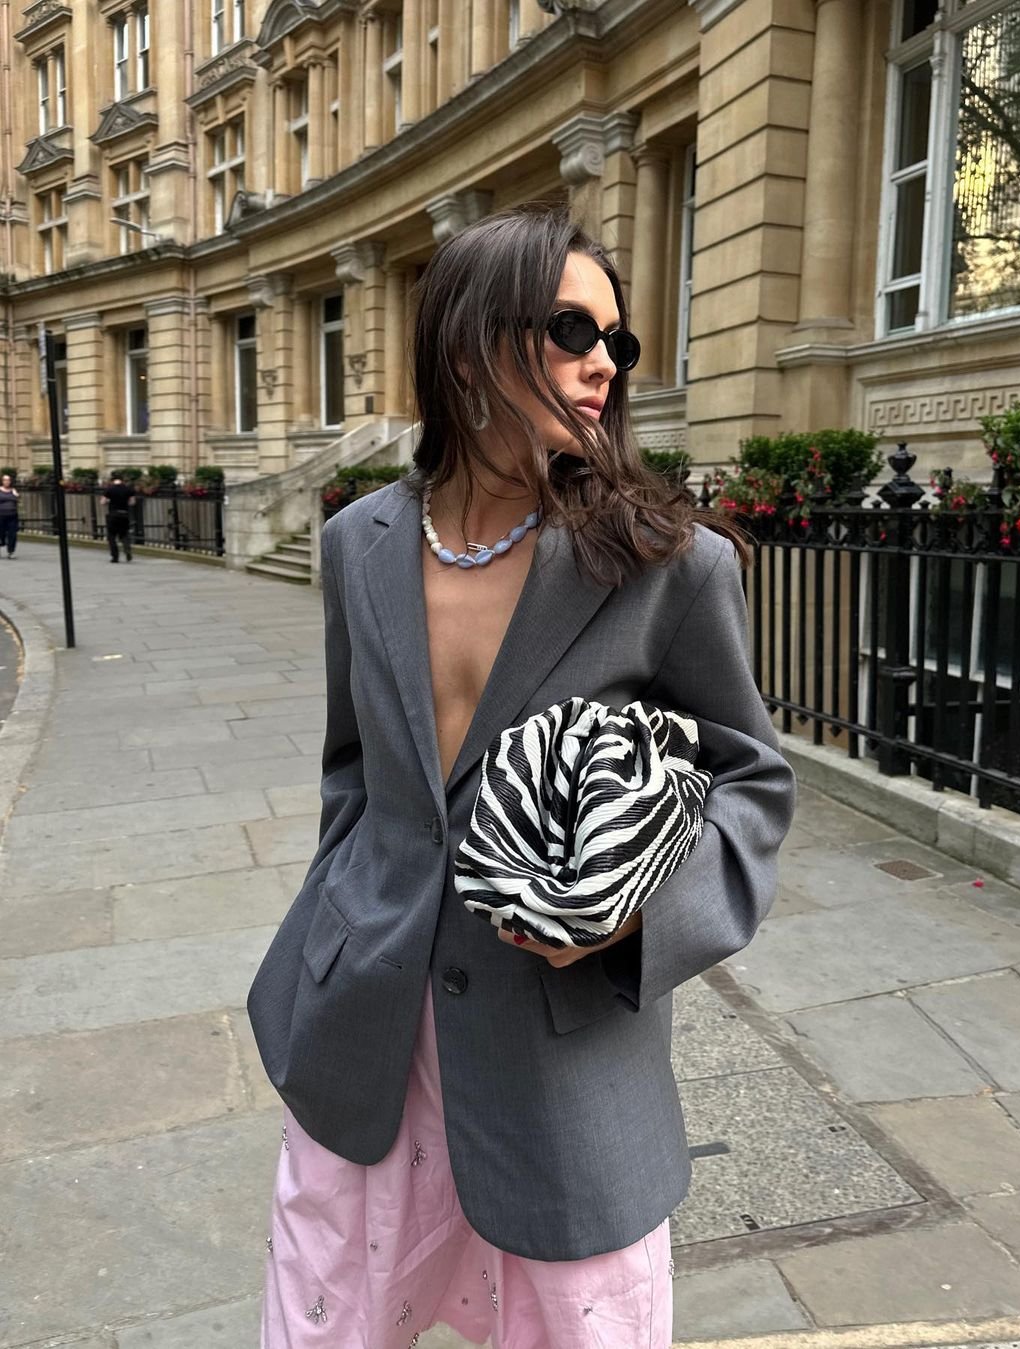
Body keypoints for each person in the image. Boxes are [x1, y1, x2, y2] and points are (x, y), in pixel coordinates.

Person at [248, 206, 796, 1349]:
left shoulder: (668, 563)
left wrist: (630, 917)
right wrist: (336, 921)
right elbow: (353, 770)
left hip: (564, 1076)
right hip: (366, 1047)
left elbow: (753, 787)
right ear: (467, 347)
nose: (605, 361)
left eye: (618, 341)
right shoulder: (359, 542)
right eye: (567, 329)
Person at [100, 473, 135, 562]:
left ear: (112, 480)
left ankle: (115, 556)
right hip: (124, 514)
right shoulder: (128, 489)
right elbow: (132, 502)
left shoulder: (109, 489)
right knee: (124, 534)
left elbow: (102, 502)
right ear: (122, 480)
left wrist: (109, 500)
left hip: (113, 515)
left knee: (112, 536)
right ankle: (127, 551)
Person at [0, 475, 19, 558]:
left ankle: (11, 552)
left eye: (8, 480)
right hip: (1, 515)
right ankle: (2, 542)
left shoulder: (13, 490)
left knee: (12, 534)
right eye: (5, 480)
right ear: (2, 481)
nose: (7, 482)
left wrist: (17, 495)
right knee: (1, 533)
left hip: (12, 515)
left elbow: (18, 500)